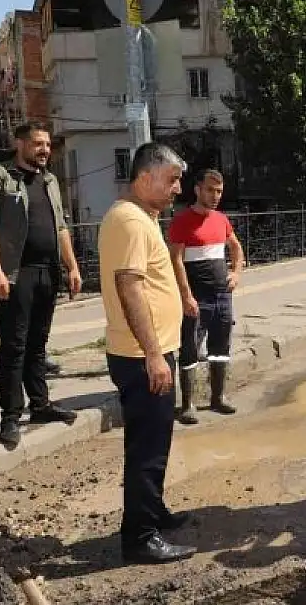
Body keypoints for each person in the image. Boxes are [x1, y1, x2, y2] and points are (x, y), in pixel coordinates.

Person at [98, 142, 197, 564]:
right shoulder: (131, 221)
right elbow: (129, 286)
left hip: (147, 353)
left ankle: (151, 511)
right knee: (148, 448)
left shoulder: (141, 218)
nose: (178, 188)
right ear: (145, 177)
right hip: (142, 357)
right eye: (172, 180)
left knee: (154, 442)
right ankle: (140, 537)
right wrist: (154, 355)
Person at [0, 121, 81, 448]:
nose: (45, 150)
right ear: (18, 143)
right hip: (15, 274)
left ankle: (40, 405)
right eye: (38, 144)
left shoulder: (49, 181)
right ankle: (10, 417)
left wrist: (72, 266)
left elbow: (61, 227)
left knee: (38, 344)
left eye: (47, 145)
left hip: (47, 273)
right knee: (14, 345)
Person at [167, 169, 246, 424]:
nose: (215, 196)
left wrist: (236, 272)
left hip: (222, 296)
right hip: (196, 297)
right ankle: (187, 404)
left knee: (220, 346)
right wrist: (186, 295)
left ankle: (218, 397)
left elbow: (236, 248)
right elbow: (176, 260)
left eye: (219, 191)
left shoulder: (221, 220)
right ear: (198, 190)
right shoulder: (182, 221)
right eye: (210, 190)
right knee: (189, 346)